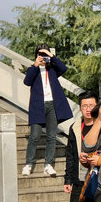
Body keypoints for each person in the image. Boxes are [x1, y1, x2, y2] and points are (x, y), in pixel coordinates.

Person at [58, 92, 98, 202]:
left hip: (97, 180)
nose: (88, 109)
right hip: (79, 180)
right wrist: (68, 179)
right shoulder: (75, 127)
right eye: (84, 106)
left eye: (91, 105)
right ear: (80, 108)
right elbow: (70, 155)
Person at [21, 44, 73, 176]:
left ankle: (48, 164)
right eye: (41, 54)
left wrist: (51, 56)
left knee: (51, 136)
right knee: (34, 136)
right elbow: (27, 82)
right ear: (36, 56)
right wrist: (35, 65)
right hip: (37, 106)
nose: (43, 57)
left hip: (52, 105)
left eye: (45, 55)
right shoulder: (33, 69)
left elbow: (63, 68)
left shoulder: (53, 69)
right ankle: (28, 164)